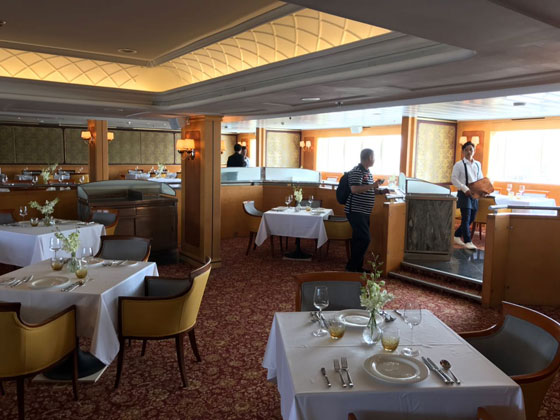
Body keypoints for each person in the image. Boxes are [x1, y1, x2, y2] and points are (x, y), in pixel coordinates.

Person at [344, 148, 384, 272]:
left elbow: (367, 189)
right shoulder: (357, 171)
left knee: (358, 239)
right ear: (369, 158)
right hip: (355, 211)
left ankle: (356, 267)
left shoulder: (367, 172)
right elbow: (354, 189)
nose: (375, 159)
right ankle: (352, 266)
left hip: (364, 211)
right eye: (374, 157)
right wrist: (373, 185)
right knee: (365, 239)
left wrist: (379, 191)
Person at [451, 141, 483, 250]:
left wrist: (482, 190)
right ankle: (468, 241)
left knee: (472, 217)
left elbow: (480, 178)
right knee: (466, 217)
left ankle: (456, 235)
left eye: (471, 150)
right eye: (466, 150)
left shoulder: (478, 164)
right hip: (464, 193)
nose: (469, 152)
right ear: (463, 151)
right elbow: (454, 179)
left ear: (474, 151)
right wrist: (464, 189)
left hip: (475, 193)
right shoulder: (459, 165)